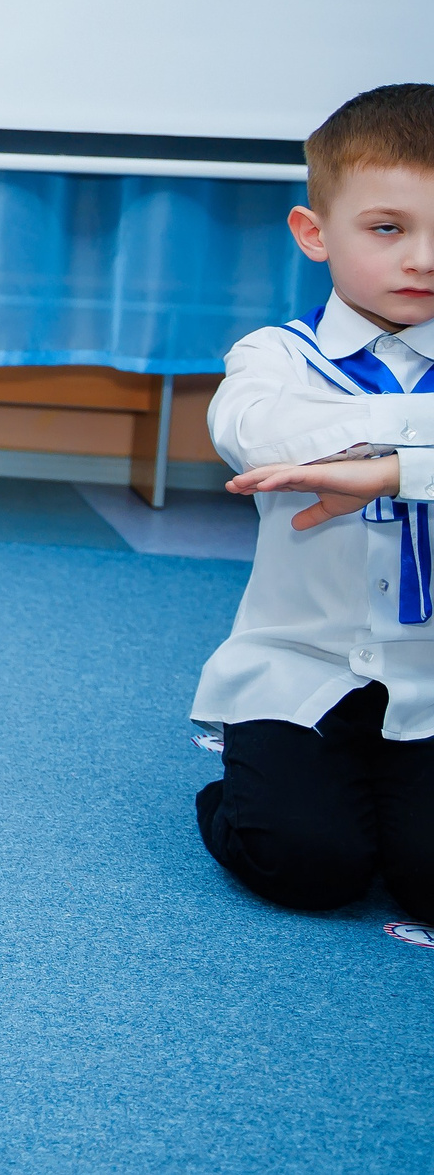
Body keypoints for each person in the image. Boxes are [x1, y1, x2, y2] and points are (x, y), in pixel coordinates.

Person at [195, 83, 434, 919]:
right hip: (304, 668)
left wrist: (391, 470)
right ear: (315, 233)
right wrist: (414, 438)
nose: (425, 258)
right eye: (388, 228)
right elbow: (254, 430)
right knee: (306, 865)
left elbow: (326, 444)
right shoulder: (277, 355)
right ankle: (244, 777)